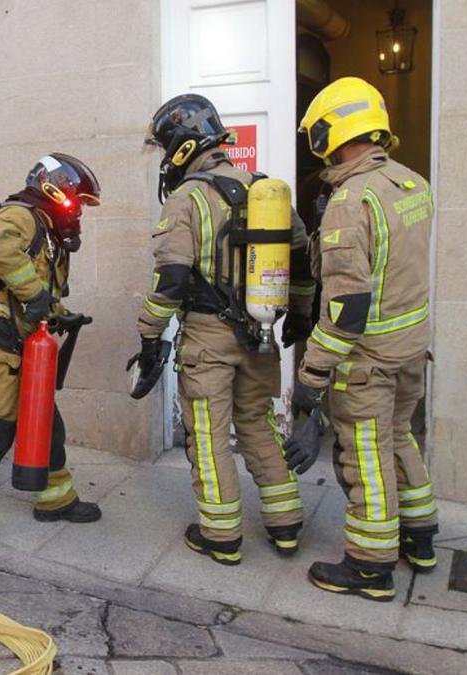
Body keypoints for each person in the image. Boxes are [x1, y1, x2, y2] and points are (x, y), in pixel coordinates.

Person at [131, 94, 316, 566]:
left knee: (209, 435)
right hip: (260, 334)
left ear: (180, 145)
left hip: (209, 339)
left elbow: (170, 278)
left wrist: (150, 334)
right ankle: (286, 523)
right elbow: (300, 259)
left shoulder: (187, 198)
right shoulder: (264, 189)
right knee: (257, 424)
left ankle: (220, 534)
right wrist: (298, 314)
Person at [288, 76, 438, 601]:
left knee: (365, 457)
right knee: (401, 438)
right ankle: (420, 539)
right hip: (411, 347)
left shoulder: (351, 201)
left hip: (367, 358)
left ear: (332, 131)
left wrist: (312, 374)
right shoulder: (411, 182)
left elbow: (347, 308)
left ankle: (370, 565)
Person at [0, 153, 104, 542]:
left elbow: (38, 289)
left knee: (47, 422)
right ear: (56, 187)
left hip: (24, 343)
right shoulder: (18, 215)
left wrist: (59, 313)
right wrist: (36, 297)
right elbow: (0, 252)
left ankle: (56, 500)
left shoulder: (44, 228)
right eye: (78, 200)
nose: (79, 209)